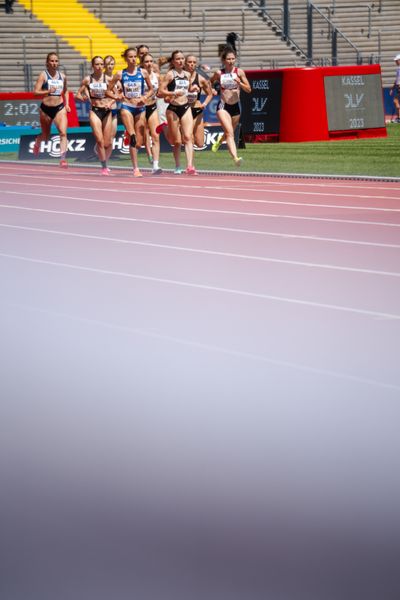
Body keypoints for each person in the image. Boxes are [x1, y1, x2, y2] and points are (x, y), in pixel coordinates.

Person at [107, 47, 154, 177]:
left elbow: (151, 89)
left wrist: (145, 97)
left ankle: (130, 139)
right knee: (133, 136)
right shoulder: (120, 74)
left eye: (135, 57)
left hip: (140, 107)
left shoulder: (143, 72)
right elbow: (108, 90)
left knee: (139, 141)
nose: (133, 59)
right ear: (126, 59)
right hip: (126, 106)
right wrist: (117, 97)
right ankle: (136, 168)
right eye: (131, 57)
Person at [210, 46, 251, 166]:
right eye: (228, 59)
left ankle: (220, 140)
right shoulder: (219, 73)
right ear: (224, 60)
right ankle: (236, 158)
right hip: (223, 106)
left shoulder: (239, 72)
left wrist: (240, 83)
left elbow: (248, 89)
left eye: (233, 58)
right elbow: (209, 82)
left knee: (229, 132)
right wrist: (212, 90)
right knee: (230, 133)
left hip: (236, 106)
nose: (231, 61)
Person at [158, 50, 196, 175]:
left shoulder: (188, 74)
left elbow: (188, 88)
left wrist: (193, 89)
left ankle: (190, 166)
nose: (180, 61)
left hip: (185, 107)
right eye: (178, 59)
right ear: (173, 61)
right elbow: (160, 92)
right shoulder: (170, 75)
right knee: (177, 141)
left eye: (182, 59)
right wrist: (173, 93)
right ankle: (178, 165)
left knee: (188, 137)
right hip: (173, 109)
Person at [76, 56, 113, 176]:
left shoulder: (108, 79)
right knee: (100, 140)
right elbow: (77, 94)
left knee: (107, 143)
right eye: (97, 64)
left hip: (107, 112)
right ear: (93, 66)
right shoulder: (88, 80)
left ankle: (100, 153)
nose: (100, 66)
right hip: (94, 111)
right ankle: (104, 167)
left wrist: (111, 102)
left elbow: (118, 93)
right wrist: (83, 98)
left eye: (102, 64)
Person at [33, 52, 70, 168]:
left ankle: (63, 159)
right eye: (52, 61)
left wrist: (67, 104)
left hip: (59, 107)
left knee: (63, 133)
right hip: (46, 109)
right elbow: (35, 92)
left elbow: (66, 91)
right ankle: (38, 141)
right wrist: (48, 91)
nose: (54, 63)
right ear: (47, 63)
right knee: (45, 135)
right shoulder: (43, 76)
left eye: (56, 61)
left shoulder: (62, 76)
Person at [185, 54, 213, 149]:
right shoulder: (180, 77)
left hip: (197, 109)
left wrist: (204, 103)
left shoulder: (201, 79)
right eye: (189, 62)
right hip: (184, 110)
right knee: (189, 139)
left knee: (200, 143)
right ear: (185, 63)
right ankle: (190, 163)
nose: (192, 64)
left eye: (194, 62)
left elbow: (210, 94)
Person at [141, 53, 163, 174]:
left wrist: (165, 95)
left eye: (151, 61)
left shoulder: (157, 77)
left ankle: (155, 165)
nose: (149, 64)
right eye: (146, 62)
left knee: (155, 136)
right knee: (140, 139)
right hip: (139, 109)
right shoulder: (139, 76)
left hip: (152, 107)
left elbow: (161, 91)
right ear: (142, 63)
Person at [104, 55, 120, 156]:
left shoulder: (117, 78)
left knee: (111, 138)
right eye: (108, 64)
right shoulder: (101, 78)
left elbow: (119, 94)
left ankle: (106, 162)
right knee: (103, 137)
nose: (110, 66)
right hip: (103, 110)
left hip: (113, 109)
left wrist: (113, 100)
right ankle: (100, 153)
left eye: (112, 64)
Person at [389, 54, 400, 123]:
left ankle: (399, 118)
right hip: (398, 87)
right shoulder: (398, 69)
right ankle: (398, 118)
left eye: (397, 60)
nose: (395, 62)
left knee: (396, 101)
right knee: (396, 101)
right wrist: (392, 88)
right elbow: (396, 80)